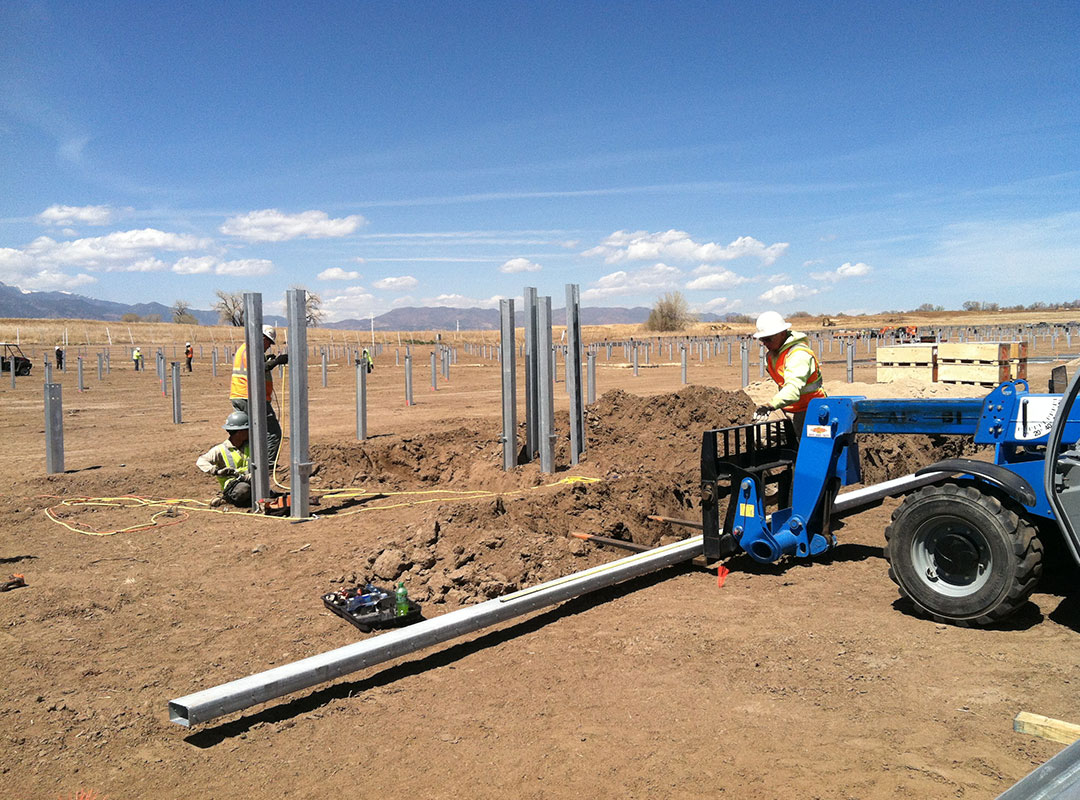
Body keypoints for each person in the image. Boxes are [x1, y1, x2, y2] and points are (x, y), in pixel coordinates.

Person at [752, 311, 826, 439]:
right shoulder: (773, 354)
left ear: (782, 333)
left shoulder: (799, 355)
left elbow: (792, 390)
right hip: (786, 407)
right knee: (762, 433)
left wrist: (769, 406)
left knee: (811, 448)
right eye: (762, 339)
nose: (765, 343)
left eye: (768, 339)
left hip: (810, 409)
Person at [230, 324, 287, 464]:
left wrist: (268, 359)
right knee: (273, 433)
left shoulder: (245, 348)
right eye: (269, 342)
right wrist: (275, 362)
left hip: (239, 394)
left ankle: (247, 462)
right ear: (262, 338)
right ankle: (266, 466)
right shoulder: (252, 350)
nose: (269, 346)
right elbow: (257, 369)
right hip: (251, 396)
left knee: (247, 432)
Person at [197, 411, 252, 508]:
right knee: (243, 490)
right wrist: (217, 471)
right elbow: (201, 461)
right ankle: (227, 499)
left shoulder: (251, 446)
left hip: (250, 479)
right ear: (240, 432)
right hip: (234, 485)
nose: (250, 432)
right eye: (247, 429)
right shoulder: (221, 449)